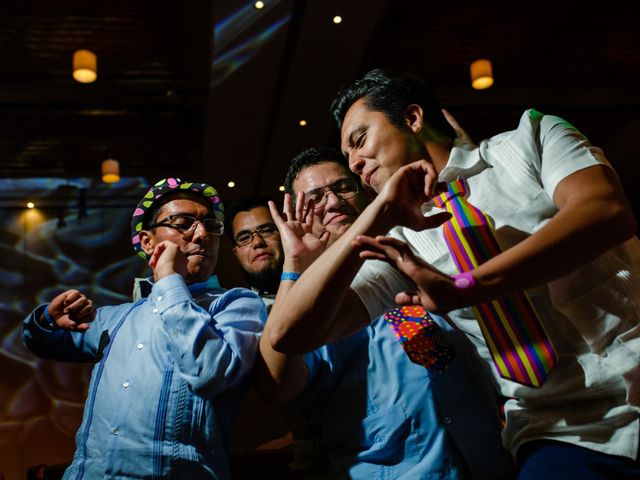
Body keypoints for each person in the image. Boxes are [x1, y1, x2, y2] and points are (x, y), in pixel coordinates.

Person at [265, 68, 640, 479]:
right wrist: (373, 216)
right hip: (558, 432)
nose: (354, 163)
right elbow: (288, 335)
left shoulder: (530, 139)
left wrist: (466, 287)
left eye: (359, 141)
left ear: (412, 118)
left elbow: (605, 212)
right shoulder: (398, 243)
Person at [254, 146, 514, 479]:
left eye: (342, 187)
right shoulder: (308, 303)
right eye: (315, 198)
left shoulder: (415, 250)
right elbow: (277, 387)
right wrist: (295, 264)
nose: (333, 202)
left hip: (488, 461)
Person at [22, 177, 266, 479]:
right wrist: (47, 318)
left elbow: (208, 373)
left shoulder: (236, 305)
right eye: (182, 222)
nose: (202, 234)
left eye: (211, 225)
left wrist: (169, 281)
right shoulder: (115, 318)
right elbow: (40, 342)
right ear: (148, 241)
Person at [226, 196, 284, 311]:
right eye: (244, 238)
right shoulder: (235, 313)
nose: (257, 242)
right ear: (236, 253)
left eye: (267, 231)